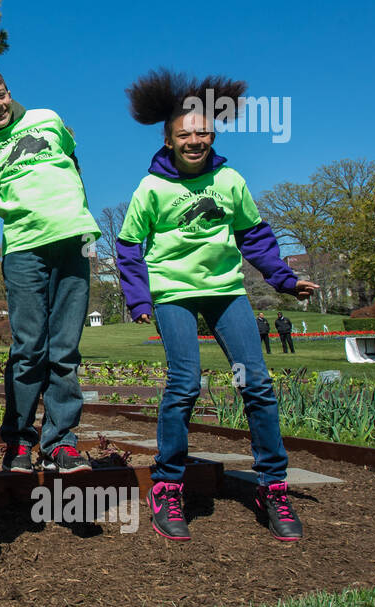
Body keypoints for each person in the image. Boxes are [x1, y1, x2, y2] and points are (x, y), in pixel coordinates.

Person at [116, 69, 319, 542]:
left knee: (259, 385)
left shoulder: (229, 179)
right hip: (174, 293)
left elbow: (254, 235)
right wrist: (139, 297)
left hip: (227, 291)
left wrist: (283, 278)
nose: (195, 140)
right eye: (185, 133)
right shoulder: (151, 188)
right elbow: (128, 246)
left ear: (213, 135)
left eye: (203, 132)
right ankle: (168, 486)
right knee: (184, 384)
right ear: (168, 139)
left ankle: (273, 488)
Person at [0, 38, 98, 475]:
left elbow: (72, 160)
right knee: (30, 347)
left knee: (65, 349)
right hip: (25, 252)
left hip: (72, 242)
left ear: (9, 92)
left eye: (1, 94)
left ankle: (61, 442)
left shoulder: (47, 119)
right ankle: (18, 443)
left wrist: (75, 207)